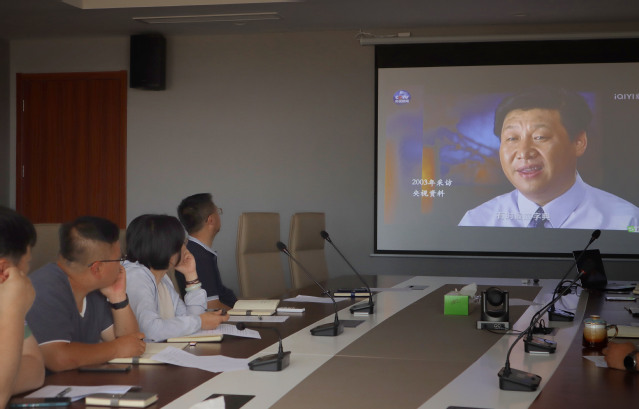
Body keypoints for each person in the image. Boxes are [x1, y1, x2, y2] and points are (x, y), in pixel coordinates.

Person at [459, 87, 639, 229]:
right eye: (512, 138)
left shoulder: (626, 221)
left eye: (540, 137)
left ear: (579, 142)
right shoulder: (477, 221)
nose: (524, 152)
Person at [26, 216, 145, 372]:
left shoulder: (94, 289)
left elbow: (133, 344)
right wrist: (116, 348)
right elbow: (58, 358)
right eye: (119, 259)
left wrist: (118, 297)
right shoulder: (44, 287)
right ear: (97, 268)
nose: (121, 267)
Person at [124, 214, 229, 342]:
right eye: (182, 243)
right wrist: (200, 321)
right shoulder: (135, 277)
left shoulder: (162, 278)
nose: (185, 247)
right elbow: (150, 331)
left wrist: (191, 274)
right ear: (165, 248)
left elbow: (190, 319)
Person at [0, 207, 44, 406]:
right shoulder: (10, 304)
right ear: (4, 269)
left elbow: (35, 368)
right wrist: (14, 309)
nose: (27, 273)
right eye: (27, 263)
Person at [176, 193, 237, 310]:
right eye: (218, 211)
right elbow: (212, 307)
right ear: (211, 220)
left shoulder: (196, 250)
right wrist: (246, 316)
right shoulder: (197, 257)